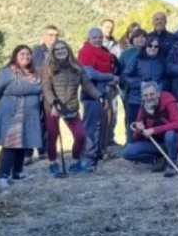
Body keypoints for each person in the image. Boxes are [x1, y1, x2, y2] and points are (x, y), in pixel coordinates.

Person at [0, 46, 44, 189]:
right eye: (22, 54)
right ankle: (3, 177)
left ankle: (18, 173)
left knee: (23, 143)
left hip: (29, 114)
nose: (26, 56)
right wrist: (9, 100)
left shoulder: (35, 74)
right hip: (10, 112)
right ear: (15, 56)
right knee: (10, 144)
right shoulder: (7, 72)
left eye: (28, 54)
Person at [42, 40, 100, 176]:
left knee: (80, 135)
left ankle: (75, 163)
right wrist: (53, 103)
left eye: (63, 48)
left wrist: (99, 96)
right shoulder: (48, 68)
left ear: (68, 50)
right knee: (53, 135)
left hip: (71, 106)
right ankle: (53, 163)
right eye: (57, 50)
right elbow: (46, 90)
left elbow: (87, 84)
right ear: (53, 53)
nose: (61, 51)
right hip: (53, 107)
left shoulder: (77, 66)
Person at [121, 82, 178, 177]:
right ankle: (158, 160)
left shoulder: (168, 100)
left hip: (172, 141)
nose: (149, 98)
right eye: (146, 95)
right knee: (127, 152)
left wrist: (154, 130)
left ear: (158, 94)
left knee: (170, 135)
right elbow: (135, 137)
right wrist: (139, 130)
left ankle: (172, 163)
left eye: (152, 94)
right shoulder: (143, 108)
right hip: (155, 144)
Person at [77, 27, 119, 166]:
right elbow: (89, 74)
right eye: (94, 37)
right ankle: (87, 154)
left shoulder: (105, 52)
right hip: (91, 94)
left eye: (100, 37)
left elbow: (113, 67)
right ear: (89, 39)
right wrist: (110, 77)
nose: (98, 39)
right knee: (91, 125)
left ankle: (100, 151)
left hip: (105, 93)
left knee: (104, 124)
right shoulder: (85, 53)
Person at [26, 24, 60, 164]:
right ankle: (27, 153)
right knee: (32, 121)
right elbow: (32, 69)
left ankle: (44, 150)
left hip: (52, 92)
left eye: (56, 35)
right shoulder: (36, 51)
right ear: (44, 36)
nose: (54, 38)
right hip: (36, 91)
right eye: (50, 35)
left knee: (48, 122)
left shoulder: (59, 51)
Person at [121, 35, 167, 138]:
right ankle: (130, 148)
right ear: (145, 46)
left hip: (154, 101)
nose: (153, 48)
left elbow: (166, 78)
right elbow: (124, 76)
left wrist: (160, 86)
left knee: (152, 125)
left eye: (156, 46)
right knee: (133, 125)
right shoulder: (136, 59)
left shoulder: (162, 62)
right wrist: (140, 84)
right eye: (150, 46)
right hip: (136, 99)